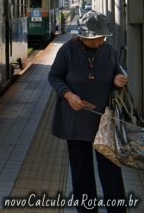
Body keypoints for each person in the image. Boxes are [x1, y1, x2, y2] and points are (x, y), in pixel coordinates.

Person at [48, 11, 128, 212]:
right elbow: (54, 77)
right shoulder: (67, 50)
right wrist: (68, 95)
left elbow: (116, 71)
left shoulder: (108, 50)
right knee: (81, 171)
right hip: (76, 120)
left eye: (102, 37)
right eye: (94, 38)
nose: (99, 42)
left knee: (111, 170)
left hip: (104, 120)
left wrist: (117, 80)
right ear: (82, 36)